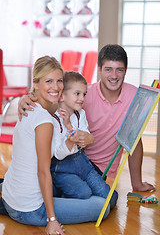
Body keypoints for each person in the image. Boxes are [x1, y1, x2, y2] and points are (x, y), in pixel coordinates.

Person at [17, 44, 155, 192]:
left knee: (103, 199)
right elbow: (52, 101)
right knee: (47, 189)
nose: (114, 76)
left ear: (125, 71)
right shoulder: (83, 94)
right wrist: (29, 98)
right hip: (70, 160)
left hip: (98, 170)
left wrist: (137, 183)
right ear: (99, 69)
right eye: (108, 69)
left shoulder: (135, 96)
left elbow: (134, 140)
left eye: (119, 70)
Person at [0, 56, 111, 235]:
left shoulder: (31, 107)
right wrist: (52, 220)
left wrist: (25, 98)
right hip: (30, 209)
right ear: (36, 83)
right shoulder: (44, 121)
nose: (56, 86)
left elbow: (56, 108)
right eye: (49, 81)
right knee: (102, 207)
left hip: (10, 197)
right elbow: (43, 171)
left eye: (59, 81)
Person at [50, 71, 118, 209]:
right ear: (62, 96)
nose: (82, 98)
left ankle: (85, 196)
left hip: (82, 164)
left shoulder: (81, 114)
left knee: (111, 198)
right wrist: (70, 135)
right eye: (77, 94)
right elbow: (58, 154)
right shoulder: (53, 119)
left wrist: (78, 133)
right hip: (62, 168)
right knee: (83, 194)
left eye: (84, 94)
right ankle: (57, 193)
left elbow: (84, 138)